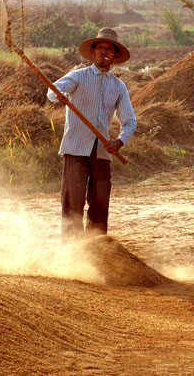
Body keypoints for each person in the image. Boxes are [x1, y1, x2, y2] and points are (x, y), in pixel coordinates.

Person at [47, 27, 137, 243]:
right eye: (100, 48)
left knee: (99, 205)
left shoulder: (118, 86)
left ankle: (96, 254)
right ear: (93, 51)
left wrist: (120, 141)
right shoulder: (78, 77)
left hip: (102, 151)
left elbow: (130, 121)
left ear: (115, 56)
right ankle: (72, 255)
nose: (104, 52)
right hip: (75, 148)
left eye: (109, 49)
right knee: (72, 203)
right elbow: (52, 91)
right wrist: (59, 96)